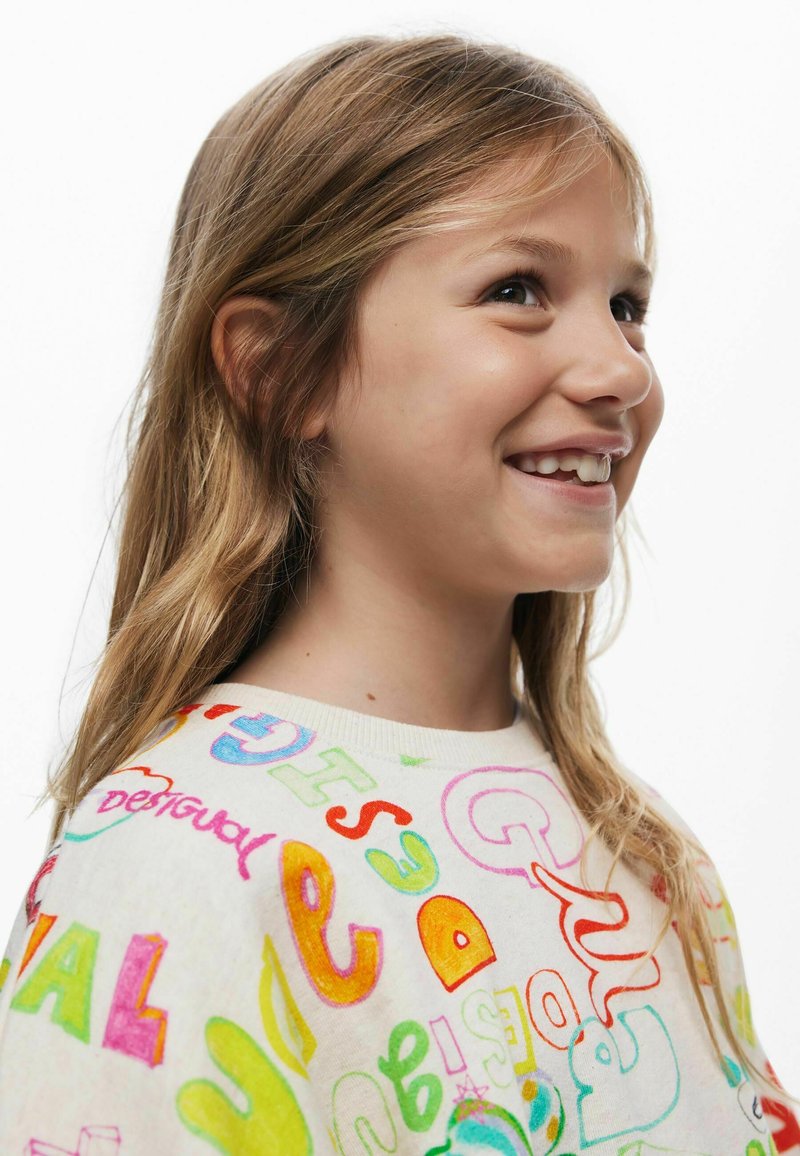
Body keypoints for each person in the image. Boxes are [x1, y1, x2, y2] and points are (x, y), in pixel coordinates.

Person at [0, 30, 796, 1156]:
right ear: (279, 370)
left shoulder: (642, 850)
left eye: (627, 304)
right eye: (517, 290)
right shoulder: (180, 863)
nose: (623, 369)